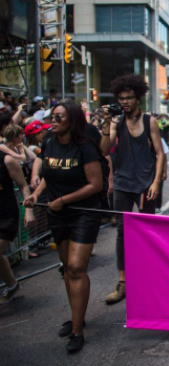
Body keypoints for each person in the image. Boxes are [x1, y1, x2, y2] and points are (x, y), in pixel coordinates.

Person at [23, 102, 103, 352]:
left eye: (59, 117)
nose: (53, 121)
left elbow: (95, 184)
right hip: (57, 215)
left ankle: (77, 332)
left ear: (73, 121)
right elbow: (50, 171)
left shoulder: (85, 148)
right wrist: (37, 194)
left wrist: (62, 200)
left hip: (83, 213)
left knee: (77, 267)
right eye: (52, 117)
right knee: (67, 268)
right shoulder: (49, 142)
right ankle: (76, 317)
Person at [100, 74, 165, 305]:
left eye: (129, 98)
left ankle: (148, 277)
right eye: (121, 98)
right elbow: (105, 150)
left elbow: (160, 153)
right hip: (122, 183)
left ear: (138, 98)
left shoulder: (150, 122)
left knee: (148, 230)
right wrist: (107, 124)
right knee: (122, 232)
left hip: (145, 184)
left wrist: (156, 181)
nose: (125, 102)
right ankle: (123, 282)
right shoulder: (116, 124)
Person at [0, 125, 35, 305]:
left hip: (6, 216)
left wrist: (28, 211)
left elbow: (23, 185)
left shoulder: (7, 160)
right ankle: (12, 285)